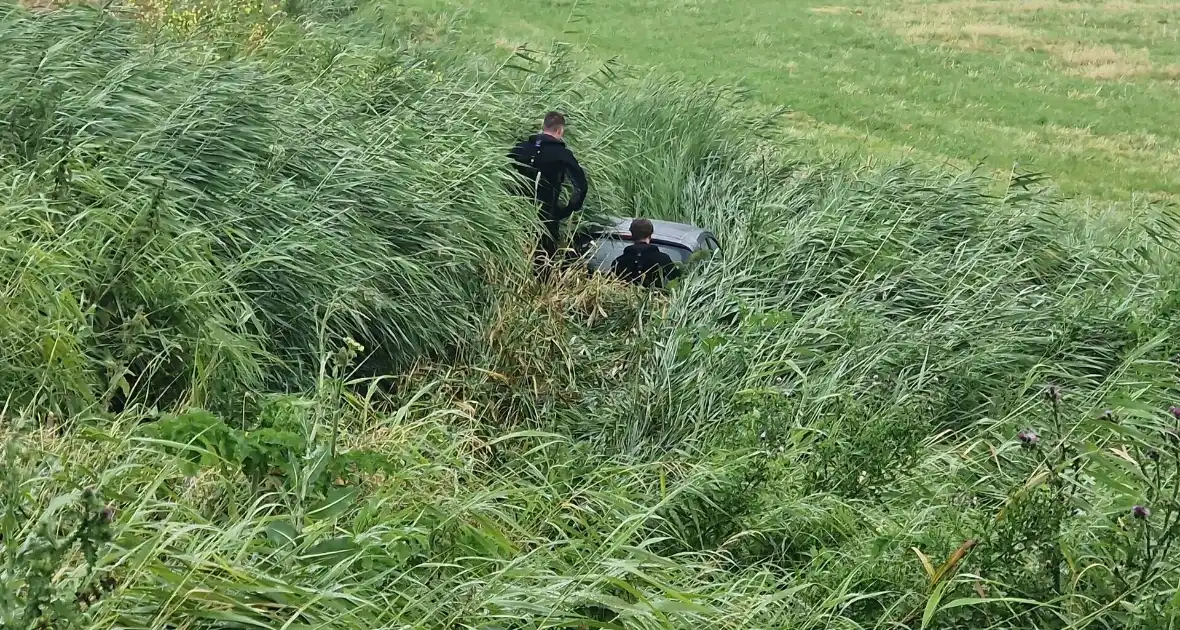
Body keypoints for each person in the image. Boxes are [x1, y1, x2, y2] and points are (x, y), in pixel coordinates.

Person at [508, 111, 589, 275]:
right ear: (560, 131)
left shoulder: (520, 149)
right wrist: (565, 211)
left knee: (518, 254)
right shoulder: (562, 155)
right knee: (544, 261)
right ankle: (539, 291)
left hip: (517, 214)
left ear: (543, 127)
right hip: (547, 215)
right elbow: (580, 187)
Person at [611, 218, 682, 288]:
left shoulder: (618, 262)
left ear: (632, 235)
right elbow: (678, 283)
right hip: (656, 298)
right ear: (650, 234)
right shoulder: (663, 259)